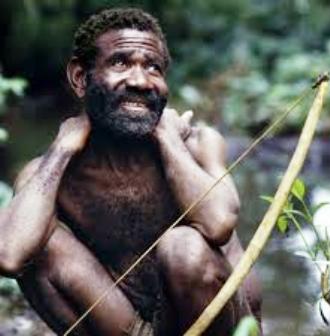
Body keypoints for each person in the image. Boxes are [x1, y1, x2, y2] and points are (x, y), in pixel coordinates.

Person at [0, 8, 261, 336]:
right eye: (120, 62)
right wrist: (62, 148)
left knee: (184, 248)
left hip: (225, 326)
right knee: (36, 242)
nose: (140, 81)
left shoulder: (197, 144)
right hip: (133, 328)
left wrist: (166, 136)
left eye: (153, 67)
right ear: (81, 78)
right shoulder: (51, 170)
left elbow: (218, 222)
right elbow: (9, 255)